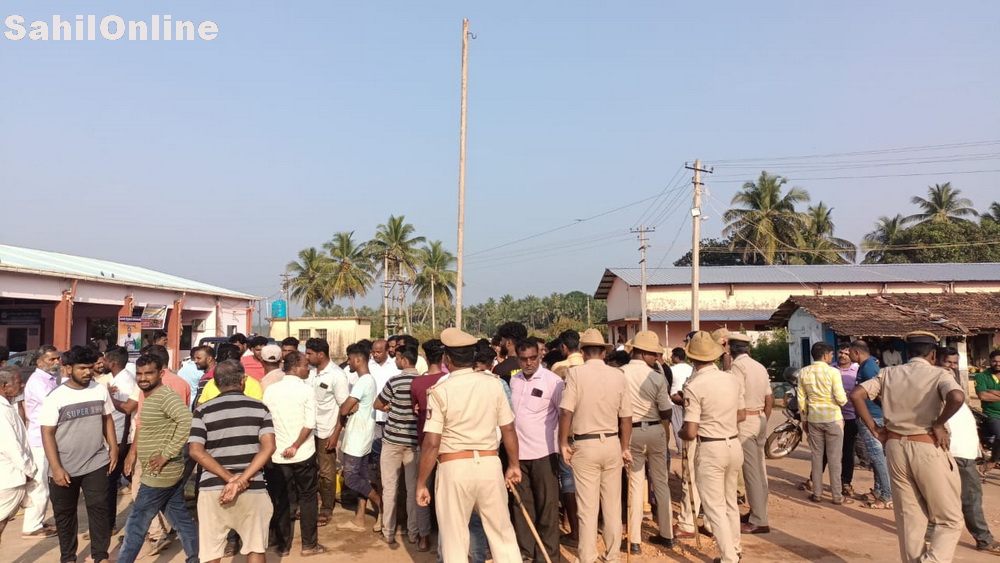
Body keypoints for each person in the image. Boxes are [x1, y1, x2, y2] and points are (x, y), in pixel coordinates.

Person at [851, 331, 965, 563]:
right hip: (927, 446)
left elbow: (856, 395)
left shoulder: (888, 373)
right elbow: (957, 397)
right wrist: (939, 423)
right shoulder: (939, 374)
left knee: (910, 519)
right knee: (949, 519)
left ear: (906, 353)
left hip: (895, 446)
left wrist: (874, 429)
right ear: (933, 355)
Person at [416, 327, 522, 563]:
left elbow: (431, 444)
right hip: (489, 464)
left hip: (454, 468)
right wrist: (514, 465)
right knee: (502, 535)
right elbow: (508, 429)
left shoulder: (440, 391)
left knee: (454, 539)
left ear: (447, 359)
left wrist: (422, 483)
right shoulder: (493, 384)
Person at [188, 360, 276, 563]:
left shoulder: (202, 411)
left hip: (212, 489)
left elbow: (195, 451)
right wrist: (240, 480)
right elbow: (269, 447)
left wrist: (229, 478)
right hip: (252, 486)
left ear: (216, 383)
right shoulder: (260, 408)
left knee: (211, 552)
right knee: (255, 548)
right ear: (243, 381)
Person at [557, 328, 632, 563]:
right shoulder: (618, 375)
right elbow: (626, 417)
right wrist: (625, 447)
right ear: (603, 352)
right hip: (612, 442)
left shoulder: (575, 374)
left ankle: (587, 557)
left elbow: (566, 411)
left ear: (583, 352)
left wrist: (563, 442)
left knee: (587, 508)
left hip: (585, 444)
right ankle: (613, 555)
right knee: (612, 506)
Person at [40, 345, 118, 563]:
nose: (87, 372)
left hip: (96, 462)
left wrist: (113, 448)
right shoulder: (56, 397)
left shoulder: (99, 390)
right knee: (65, 514)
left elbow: (107, 419)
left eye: (90, 368)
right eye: (82, 368)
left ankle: (100, 555)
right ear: (68, 369)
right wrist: (56, 468)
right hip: (64, 466)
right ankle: (68, 557)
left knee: (99, 508)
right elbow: (47, 433)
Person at [118, 354, 198, 563]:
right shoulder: (151, 397)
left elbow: (187, 421)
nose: (143, 378)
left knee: (136, 523)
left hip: (160, 473)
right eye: (139, 374)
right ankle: (195, 557)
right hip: (165, 471)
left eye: (149, 373)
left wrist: (166, 454)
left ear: (160, 373)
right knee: (180, 519)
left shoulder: (166, 397)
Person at [679, 331, 745, 563]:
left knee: (714, 507)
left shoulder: (694, 386)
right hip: (733, 443)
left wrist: (681, 432)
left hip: (711, 448)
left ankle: (729, 557)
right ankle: (735, 548)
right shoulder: (732, 379)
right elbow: (741, 414)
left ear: (691, 357)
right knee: (730, 502)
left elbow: (690, 431)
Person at [927, 347, 1000, 555]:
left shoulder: (948, 383)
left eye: (954, 363)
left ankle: (929, 534)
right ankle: (983, 539)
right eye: (947, 362)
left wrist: (976, 445)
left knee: (945, 495)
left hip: (965, 449)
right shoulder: (936, 383)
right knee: (970, 497)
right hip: (955, 450)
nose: (951, 367)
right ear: (936, 360)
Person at [261, 351, 326, 557]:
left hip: (277, 455)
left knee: (280, 499)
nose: (309, 368)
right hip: (303, 453)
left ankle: (283, 546)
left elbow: (266, 422)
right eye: (306, 365)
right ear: (296, 367)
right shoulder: (306, 390)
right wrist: (296, 445)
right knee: (307, 498)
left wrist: (284, 446)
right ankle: (309, 545)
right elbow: (310, 424)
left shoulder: (271, 391)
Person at [509, 338, 564, 562]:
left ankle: (547, 556)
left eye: (533, 358)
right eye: (524, 359)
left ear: (540, 355)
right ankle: (526, 553)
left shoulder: (553, 381)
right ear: (518, 359)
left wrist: (563, 445)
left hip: (544, 454)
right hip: (517, 456)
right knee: (521, 506)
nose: (529, 363)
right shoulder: (514, 381)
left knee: (547, 507)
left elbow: (563, 414)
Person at [621, 330, 674, 554]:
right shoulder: (656, 377)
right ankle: (667, 534)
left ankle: (634, 541)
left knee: (635, 484)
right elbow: (666, 410)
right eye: (653, 354)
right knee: (660, 482)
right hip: (655, 429)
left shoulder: (620, 373)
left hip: (630, 432)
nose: (656, 358)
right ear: (642, 353)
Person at [374, 342, 422, 547]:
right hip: (413, 442)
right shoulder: (422, 382)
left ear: (404, 360)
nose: (395, 360)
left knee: (390, 489)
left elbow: (378, 404)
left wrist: (390, 407)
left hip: (392, 440)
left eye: (398, 357)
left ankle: (388, 532)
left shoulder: (394, 381)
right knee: (413, 489)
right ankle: (413, 533)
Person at [335, 342, 383, 532]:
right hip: (363, 434)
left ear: (357, 360)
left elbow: (344, 409)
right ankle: (360, 518)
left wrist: (348, 407)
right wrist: (350, 406)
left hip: (358, 436)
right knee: (362, 476)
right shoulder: (368, 380)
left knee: (351, 478)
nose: (348, 363)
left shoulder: (363, 382)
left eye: (349, 359)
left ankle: (381, 505)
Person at [728, 333, 773, 534]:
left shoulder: (737, 367)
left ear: (730, 349)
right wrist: (763, 418)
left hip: (745, 419)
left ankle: (759, 519)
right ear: (747, 348)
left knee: (751, 472)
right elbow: (769, 397)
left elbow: (735, 395)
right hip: (760, 417)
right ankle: (758, 511)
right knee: (759, 469)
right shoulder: (759, 366)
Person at [797, 342, 851, 505]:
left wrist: (804, 420)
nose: (833, 357)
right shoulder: (833, 372)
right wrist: (844, 400)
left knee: (817, 457)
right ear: (826, 355)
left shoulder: (803, 372)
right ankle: (837, 496)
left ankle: (817, 494)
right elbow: (841, 399)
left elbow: (801, 400)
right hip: (833, 418)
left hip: (814, 418)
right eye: (832, 354)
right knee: (835, 459)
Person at [306, 338, 349, 524]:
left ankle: (326, 507)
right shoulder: (309, 373)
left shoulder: (337, 375)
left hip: (326, 431)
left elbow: (344, 408)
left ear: (321, 355)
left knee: (326, 471)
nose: (306, 357)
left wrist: (335, 434)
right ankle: (311, 502)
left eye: (309, 353)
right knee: (309, 469)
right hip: (308, 430)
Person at [409, 338, 446, 552]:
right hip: (447, 444)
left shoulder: (417, 383)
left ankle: (424, 537)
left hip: (424, 442)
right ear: (443, 357)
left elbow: (415, 408)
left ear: (425, 356)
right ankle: (444, 536)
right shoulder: (448, 380)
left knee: (421, 487)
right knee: (444, 494)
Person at [21, 345, 60, 539]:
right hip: (39, 439)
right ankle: (32, 526)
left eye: (57, 358)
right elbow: (54, 404)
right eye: (52, 359)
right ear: (39, 362)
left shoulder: (50, 379)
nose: (56, 362)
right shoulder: (37, 381)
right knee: (39, 484)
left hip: (47, 437)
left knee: (43, 483)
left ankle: (37, 521)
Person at [98, 345, 139, 534]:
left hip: (122, 439)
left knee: (115, 482)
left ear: (113, 362)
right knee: (114, 482)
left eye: (105, 360)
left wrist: (120, 443)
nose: (103, 363)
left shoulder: (125, 381)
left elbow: (129, 410)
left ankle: (109, 525)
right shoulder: (115, 379)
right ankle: (108, 525)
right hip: (116, 438)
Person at [850, 340, 893, 509]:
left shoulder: (869, 367)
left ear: (856, 352)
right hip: (870, 416)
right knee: (876, 457)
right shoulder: (866, 366)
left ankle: (887, 495)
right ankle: (878, 490)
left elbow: (880, 393)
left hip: (873, 417)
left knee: (877, 456)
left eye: (850, 352)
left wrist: (887, 412)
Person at [0, 366, 36, 545]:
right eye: (17, 382)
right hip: (8, 477)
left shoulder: (8, 407)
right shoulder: (2, 411)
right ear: (4, 385)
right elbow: (11, 447)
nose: (22, 385)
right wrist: (29, 470)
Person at [975, 349, 1000, 470]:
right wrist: (988, 393)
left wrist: (993, 392)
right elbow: (983, 396)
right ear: (990, 361)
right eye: (994, 361)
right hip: (993, 415)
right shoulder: (981, 376)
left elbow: (987, 393)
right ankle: (993, 461)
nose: (997, 363)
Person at [668, 347, 693, 457]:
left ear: (677, 357)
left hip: (675, 401)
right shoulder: (691, 369)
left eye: (672, 355)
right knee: (687, 424)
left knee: (677, 426)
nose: (671, 357)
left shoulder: (672, 370)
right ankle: (687, 449)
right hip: (688, 400)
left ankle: (681, 450)